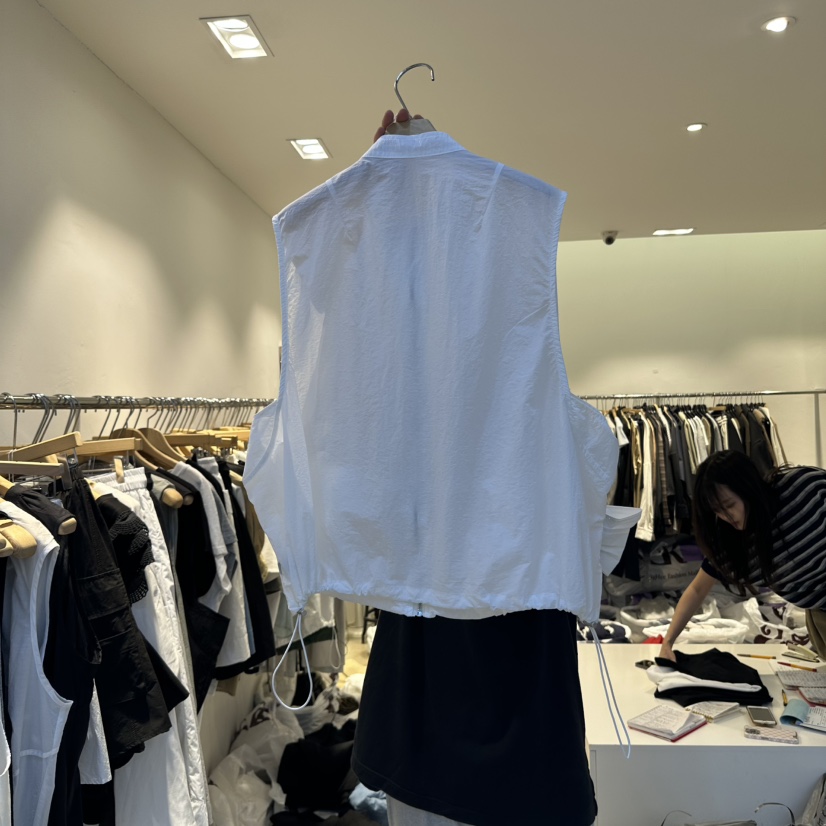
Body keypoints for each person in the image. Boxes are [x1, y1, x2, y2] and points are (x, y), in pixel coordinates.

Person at [350, 109, 597, 826]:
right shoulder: (414, 393)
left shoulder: (497, 373)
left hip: (491, 700)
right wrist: (389, 208)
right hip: (449, 697)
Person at [659, 449, 826, 661]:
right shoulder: (731, 547)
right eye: (717, 510)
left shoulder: (802, 489)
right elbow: (697, 589)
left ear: (749, 489)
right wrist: (668, 642)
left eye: (729, 505)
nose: (727, 516)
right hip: (820, 611)